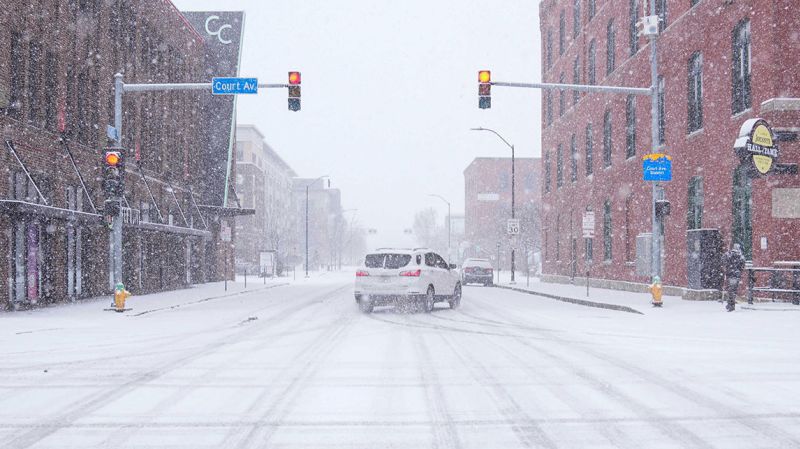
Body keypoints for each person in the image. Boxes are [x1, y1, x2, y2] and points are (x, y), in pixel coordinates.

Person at [722, 243, 746, 311]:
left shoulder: (728, 254)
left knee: (730, 290)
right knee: (733, 290)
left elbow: (723, 261)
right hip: (736, 275)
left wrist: (727, 267)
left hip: (730, 274)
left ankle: (730, 304)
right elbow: (742, 265)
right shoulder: (741, 256)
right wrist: (739, 271)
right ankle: (731, 304)